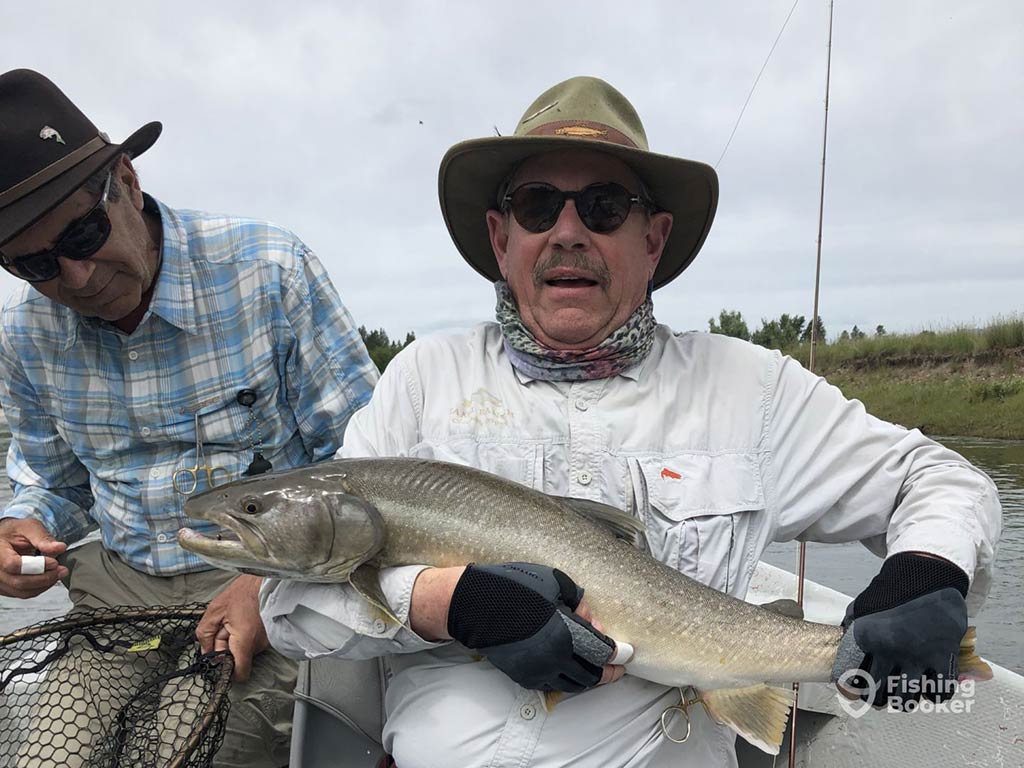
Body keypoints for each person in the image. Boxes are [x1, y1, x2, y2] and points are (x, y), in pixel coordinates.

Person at [260, 77, 1002, 767]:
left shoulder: (753, 387)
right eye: (538, 206)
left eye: (606, 207)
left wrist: (924, 570)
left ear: (653, 239)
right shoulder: (421, 380)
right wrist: (441, 605)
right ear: (500, 237)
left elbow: (939, 480)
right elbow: (290, 610)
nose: (569, 231)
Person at [0, 69, 378, 768]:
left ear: (128, 182)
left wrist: (273, 586)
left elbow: (367, 469)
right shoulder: (24, 338)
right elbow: (54, 485)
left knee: (173, 753)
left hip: (266, 579)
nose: (75, 278)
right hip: (115, 603)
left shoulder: (271, 271)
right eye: (35, 263)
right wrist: (21, 536)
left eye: (83, 233)